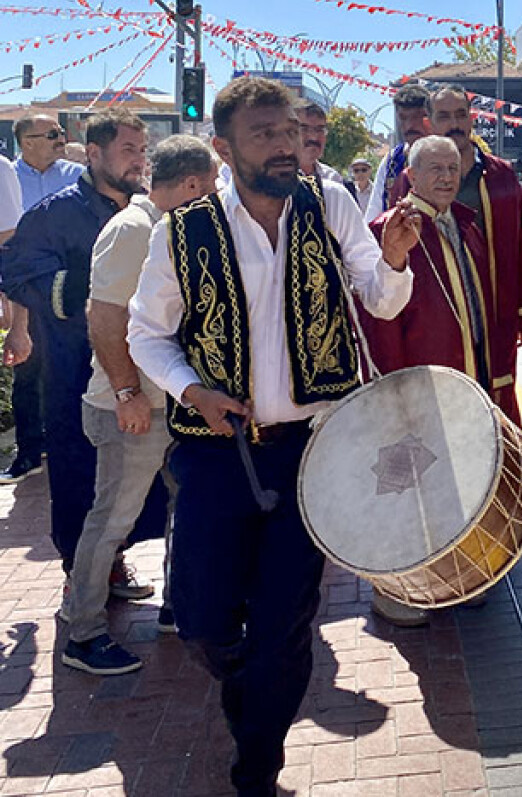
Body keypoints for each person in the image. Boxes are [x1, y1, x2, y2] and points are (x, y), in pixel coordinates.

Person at [127, 77, 417, 796]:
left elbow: (379, 298)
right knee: (200, 620)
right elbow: (146, 333)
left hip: (310, 450)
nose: (287, 146)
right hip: (215, 452)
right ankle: (247, 693)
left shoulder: (332, 205)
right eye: (266, 134)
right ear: (224, 147)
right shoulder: (183, 230)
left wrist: (398, 258)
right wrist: (192, 389)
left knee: (288, 619)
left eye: (290, 132)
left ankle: (258, 766)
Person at [61, 135, 219, 675]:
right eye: (213, 185)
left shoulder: (168, 226)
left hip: (166, 402)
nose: (217, 195)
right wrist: (128, 392)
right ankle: (81, 633)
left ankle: (177, 607)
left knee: (185, 508)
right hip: (130, 407)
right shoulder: (133, 229)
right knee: (112, 520)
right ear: (193, 184)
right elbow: (105, 318)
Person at [0, 109, 158, 589]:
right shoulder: (55, 213)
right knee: (79, 472)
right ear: (94, 153)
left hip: (138, 369)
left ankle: (115, 559)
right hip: (73, 368)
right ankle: (83, 579)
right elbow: (17, 274)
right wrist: (88, 293)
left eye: (142, 151)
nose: (138, 161)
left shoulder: (149, 209)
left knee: (131, 477)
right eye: (128, 150)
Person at [359, 134, 494, 628]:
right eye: (433, 169)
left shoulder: (464, 224)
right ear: (409, 177)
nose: (445, 177)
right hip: (410, 385)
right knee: (403, 491)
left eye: (452, 169)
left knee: (455, 487)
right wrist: (393, 389)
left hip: (464, 379)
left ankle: (452, 577)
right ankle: (396, 590)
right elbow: (378, 317)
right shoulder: (388, 229)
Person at [401, 85, 522, 426]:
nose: (454, 124)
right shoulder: (409, 179)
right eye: (444, 116)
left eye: (461, 115)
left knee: (498, 395)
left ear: (472, 118)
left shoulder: (502, 175)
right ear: (429, 121)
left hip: (494, 308)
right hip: (439, 314)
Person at [2, 113, 84, 485]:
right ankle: (29, 452)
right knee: (27, 371)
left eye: (60, 132)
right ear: (27, 141)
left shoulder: (76, 177)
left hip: (68, 291)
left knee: (72, 369)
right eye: (52, 134)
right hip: (27, 292)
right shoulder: (9, 179)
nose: (60, 139)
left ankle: (69, 444)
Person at [366, 82, 431, 221]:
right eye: (403, 118)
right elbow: (374, 214)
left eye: (417, 117)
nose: (409, 125)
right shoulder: (391, 161)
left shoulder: (446, 157)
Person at [295, 100, 345, 186]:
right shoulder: (275, 177)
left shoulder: (332, 178)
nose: (313, 137)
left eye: (319, 130)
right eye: (304, 129)